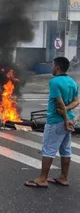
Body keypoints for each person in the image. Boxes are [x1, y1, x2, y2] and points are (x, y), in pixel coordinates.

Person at [25, 57, 79, 188]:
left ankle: (42, 179)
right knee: (66, 150)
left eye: (53, 66)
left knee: (48, 149)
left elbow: (58, 102)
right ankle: (64, 177)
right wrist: (67, 112)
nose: (52, 68)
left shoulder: (54, 82)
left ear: (57, 68)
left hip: (56, 121)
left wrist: (65, 117)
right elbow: (77, 101)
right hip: (69, 119)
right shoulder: (72, 82)